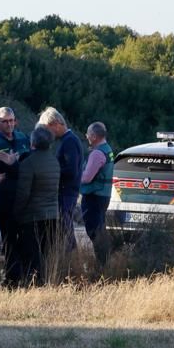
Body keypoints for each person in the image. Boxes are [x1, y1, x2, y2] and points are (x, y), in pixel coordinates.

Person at [12, 126, 61, 286]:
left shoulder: (28, 164)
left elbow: (23, 194)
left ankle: (33, 284)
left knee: (32, 254)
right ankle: (45, 282)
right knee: (45, 252)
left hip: (33, 216)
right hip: (52, 215)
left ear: (33, 143)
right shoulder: (54, 161)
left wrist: (16, 214)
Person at [0, 107, 30, 285]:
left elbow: (29, 161)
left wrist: (12, 164)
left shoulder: (22, 137)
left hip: (24, 194)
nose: (10, 124)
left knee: (26, 236)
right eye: (5, 121)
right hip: (5, 197)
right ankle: (12, 277)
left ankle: (25, 274)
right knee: (9, 238)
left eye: (12, 120)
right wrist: (12, 166)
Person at [38, 106, 86, 255]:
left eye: (48, 129)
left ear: (56, 124)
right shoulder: (67, 140)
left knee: (65, 230)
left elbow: (71, 171)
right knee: (64, 229)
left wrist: (52, 173)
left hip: (66, 192)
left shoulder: (69, 141)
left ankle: (72, 262)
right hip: (66, 191)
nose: (48, 133)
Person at [79, 121, 114, 264]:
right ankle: (105, 262)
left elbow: (87, 178)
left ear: (93, 136)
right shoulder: (108, 150)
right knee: (100, 229)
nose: (86, 136)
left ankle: (102, 263)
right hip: (103, 196)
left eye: (88, 134)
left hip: (93, 196)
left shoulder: (97, 153)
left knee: (94, 230)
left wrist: (74, 177)